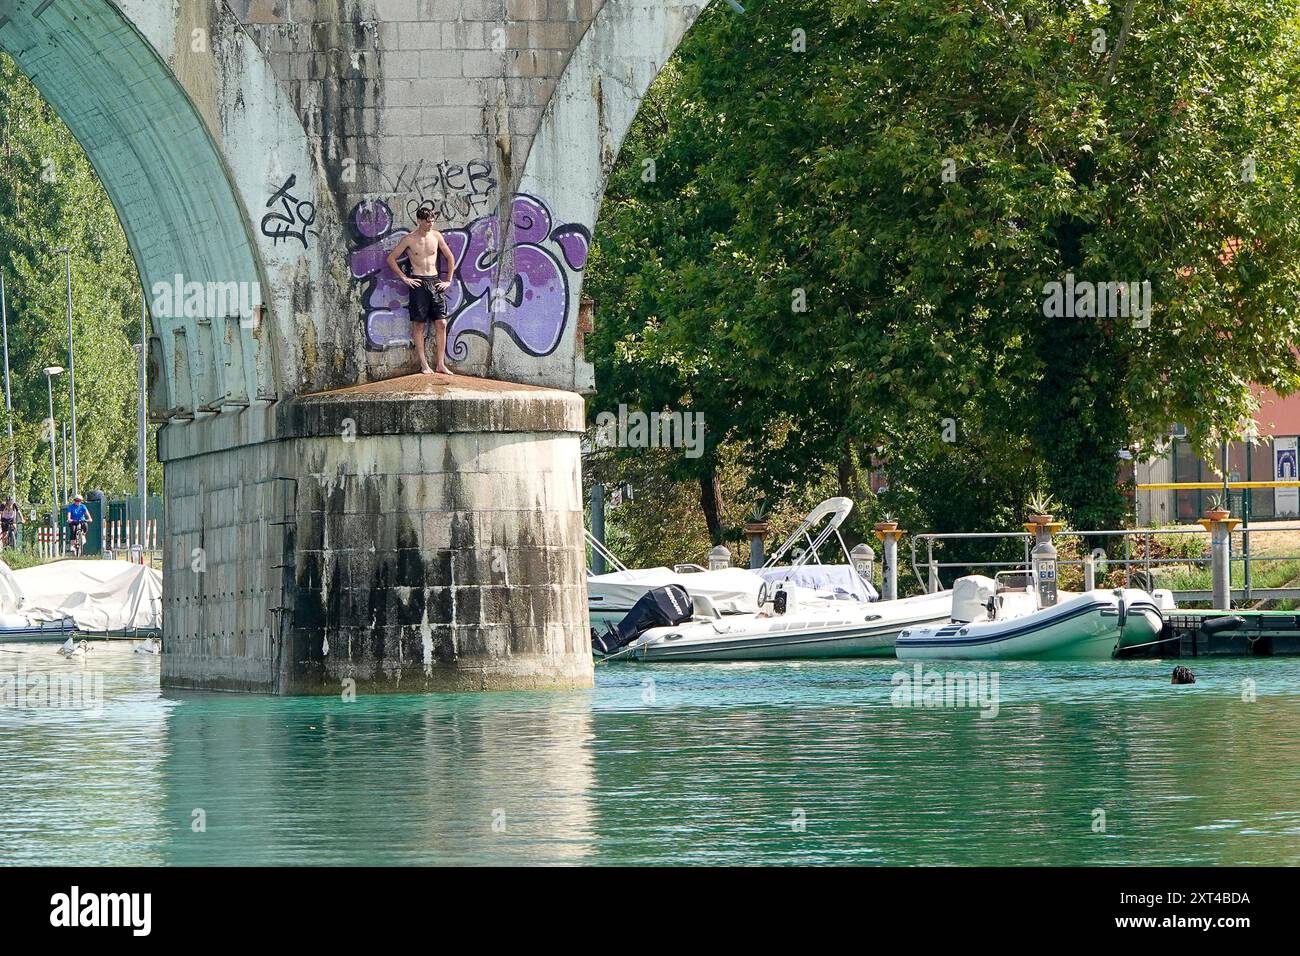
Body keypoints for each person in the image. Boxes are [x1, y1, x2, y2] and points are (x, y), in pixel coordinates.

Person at [385, 206, 457, 375]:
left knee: (442, 323)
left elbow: (450, 257)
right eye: (427, 222)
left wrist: (448, 280)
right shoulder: (409, 239)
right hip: (418, 283)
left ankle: (440, 364)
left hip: (435, 281)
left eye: (432, 221)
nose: (430, 225)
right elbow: (391, 259)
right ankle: (424, 364)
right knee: (419, 325)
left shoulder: (436, 236)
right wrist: (405, 278)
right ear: (419, 221)